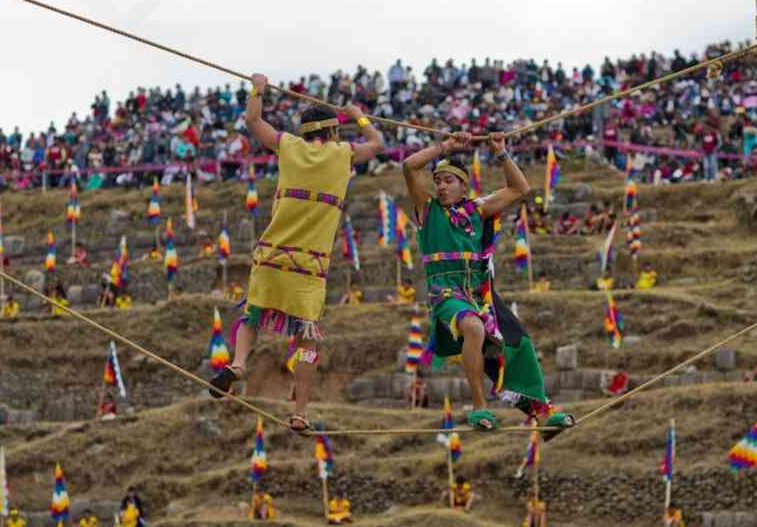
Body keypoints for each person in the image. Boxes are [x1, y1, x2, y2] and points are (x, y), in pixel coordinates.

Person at [209, 73, 383, 434]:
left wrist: (258, 86)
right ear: (333, 133)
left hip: (273, 257)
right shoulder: (343, 154)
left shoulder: (288, 145)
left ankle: (239, 363)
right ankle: (299, 411)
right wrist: (358, 115)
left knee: (252, 316)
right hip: (309, 267)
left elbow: (253, 120)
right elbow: (377, 143)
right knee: (306, 341)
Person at [402, 131, 573, 433]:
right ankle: (480, 408)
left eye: (448, 180)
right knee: (473, 327)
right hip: (446, 293)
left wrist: (501, 151)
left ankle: (542, 412)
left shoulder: (477, 210)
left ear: (464, 185)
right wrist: (445, 146)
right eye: (438, 180)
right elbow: (409, 166)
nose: (441, 185)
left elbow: (520, 188)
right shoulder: (427, 210)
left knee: (520, 345)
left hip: (480, 294)